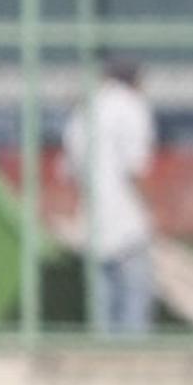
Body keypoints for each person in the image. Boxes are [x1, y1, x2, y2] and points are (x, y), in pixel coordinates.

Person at [60, 57, 159, 333]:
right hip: (127, 219)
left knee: (101, 310)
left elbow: (70, 172)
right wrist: (153, 208)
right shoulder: (130, 105)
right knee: (133, 304)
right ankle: (134, 369)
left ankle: (100, 366)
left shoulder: (84, 110)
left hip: (92, 219)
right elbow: (136, 168)